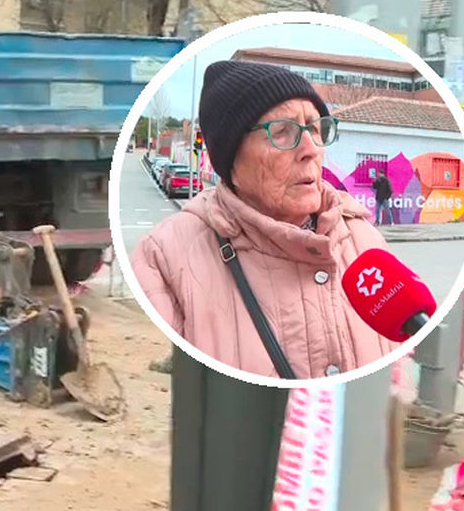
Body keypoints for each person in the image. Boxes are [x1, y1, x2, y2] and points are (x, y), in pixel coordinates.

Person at [130, 60, 398, 380]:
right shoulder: (163, 261)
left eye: (315, 128)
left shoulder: (365, 239)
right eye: (283, 132)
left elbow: (396, 378)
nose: (310, 149)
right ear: (231, 159)